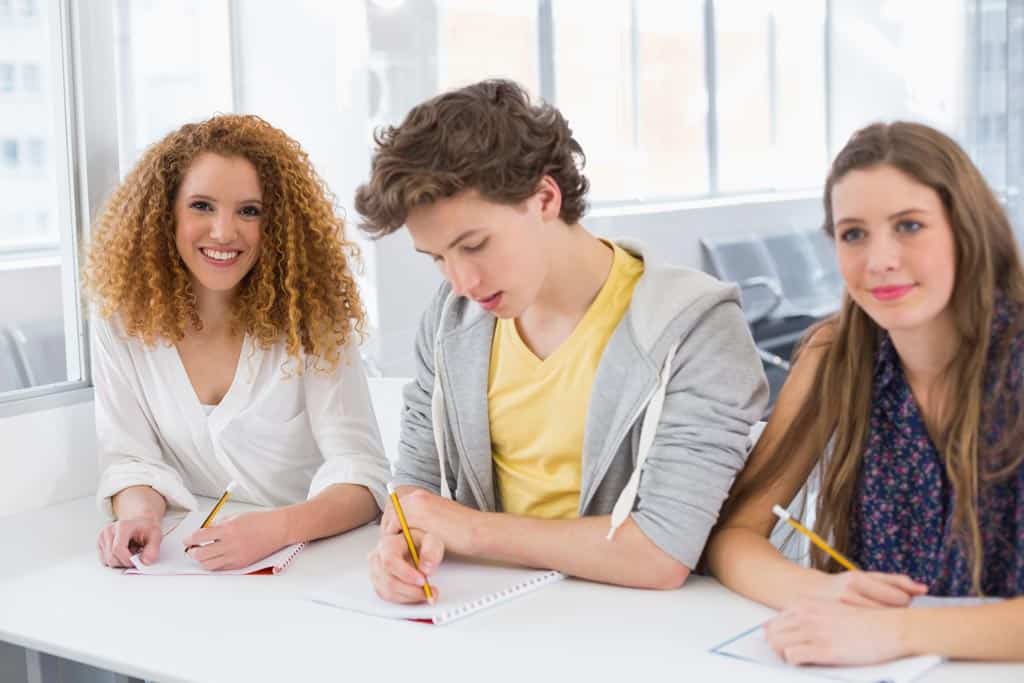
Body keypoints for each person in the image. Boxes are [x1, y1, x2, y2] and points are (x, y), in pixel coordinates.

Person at [353, 79, 767, 602]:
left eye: (474, 245)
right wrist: (400, 544)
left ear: (545, 197)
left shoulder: (694, 327)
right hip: (487, 612)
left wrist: (473, 530)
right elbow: (415, 483)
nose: (460, 282)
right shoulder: (450, 320)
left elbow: (661, 553)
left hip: (639, 625)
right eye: (437, 258)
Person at [706, 121, 1024, 664]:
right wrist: (818, 591)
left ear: (965, 229)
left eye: (909, 226)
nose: (879, 261)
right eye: (853, 234)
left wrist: (896, 633)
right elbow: (734, 538)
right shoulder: (836, 355)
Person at [86, 114, 390, 570]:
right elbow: (129, 457)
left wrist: (276, 529)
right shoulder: (121, 321)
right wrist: (139, 516)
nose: (225, 232)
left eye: (250, 210)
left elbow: (364, 479)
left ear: (278, 224)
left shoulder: (310, 317)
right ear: (164, 212)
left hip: (310, 563)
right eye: (202, 206)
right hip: (190, 570)